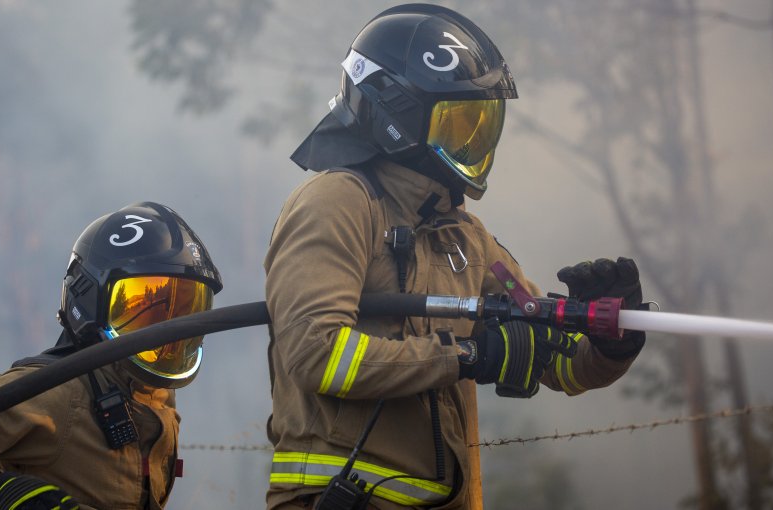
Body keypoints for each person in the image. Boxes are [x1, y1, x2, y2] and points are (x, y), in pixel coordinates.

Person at [264, 4, 646, 509]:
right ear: (399, 115)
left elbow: (555, 360)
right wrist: (466, 355)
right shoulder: (337, 203)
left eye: (481, 125)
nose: (472, 142)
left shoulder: (468, 238)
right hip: (341, 499)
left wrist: (609, 341)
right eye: (459, 122)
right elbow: (318, 354)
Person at [0, 201, 222, 510]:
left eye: (186, 308)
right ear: (90, 299)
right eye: (142, 307)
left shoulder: (157, 399)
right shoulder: (57, 396)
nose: (169, 331)